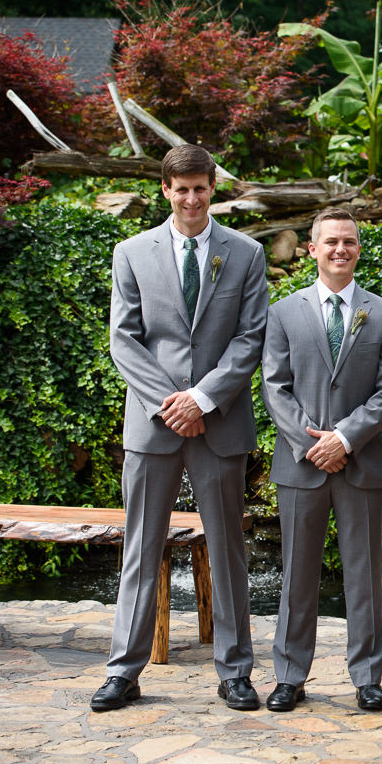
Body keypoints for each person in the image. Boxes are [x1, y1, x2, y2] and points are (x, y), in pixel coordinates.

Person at [93, 144, 268, 712]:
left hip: (218, 422)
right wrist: (168, 401)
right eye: (180, 189)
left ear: (213, 188)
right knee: (141, 547)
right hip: (153, 423)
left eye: (200, 188)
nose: (191, 199)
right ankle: (124, 670)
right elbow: (125, 338)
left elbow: (250, 339)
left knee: (228, 549)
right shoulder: (131, 252)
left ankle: (235, 670)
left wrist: (202, 398)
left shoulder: (245, 253)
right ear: (165, 191)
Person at [259, 208, 382, 712]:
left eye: (348, 242)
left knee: (363, 573)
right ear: (312, 249)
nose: (339, 250)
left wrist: (344, 439)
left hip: (360, 463)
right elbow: (274, 387)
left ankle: (367, 676)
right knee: (298, 572)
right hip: (300, 465)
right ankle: (289, 675)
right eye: (330, 242)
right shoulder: (282, 312)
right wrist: (310, 443)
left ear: (358, 249)